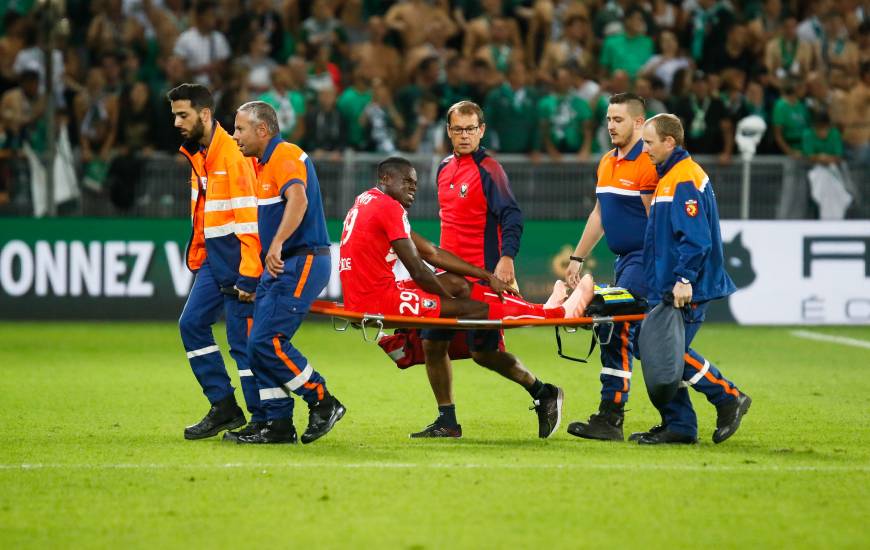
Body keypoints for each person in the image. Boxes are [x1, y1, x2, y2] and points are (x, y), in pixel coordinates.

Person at [417, 100, 565, 440]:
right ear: (449, 131)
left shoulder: (490, 170)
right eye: (458, 129)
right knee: (431, 344)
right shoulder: (443, 168)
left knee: (484, 353)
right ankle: (447, 420)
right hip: (447, 280)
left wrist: (507, 257)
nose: (465, 135)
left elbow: (511, 215)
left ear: (481, 131)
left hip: (480, 279)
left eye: (471, 129)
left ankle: (543, 392)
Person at [339, 156, 591, 322]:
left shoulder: (367, 200)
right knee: (474, 309)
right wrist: (446, 302)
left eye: (415, 184)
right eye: (406, 182)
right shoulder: (389, 208)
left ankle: (541, 309)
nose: (412, 189)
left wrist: (485, 275)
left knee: (457, 283)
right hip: (377, 301)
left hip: (366, 294)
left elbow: (431, 252)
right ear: (385, 179)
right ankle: (556, 314)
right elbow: (417, 269)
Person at [229, 101, 345, 444]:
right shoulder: (263, 165)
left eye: (240, 129)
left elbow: (299, 200)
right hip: (282, 263)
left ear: (262, 130)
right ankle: (278, 424)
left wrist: (277, 243)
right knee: (257, 346)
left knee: (267, 341)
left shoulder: (285, 155)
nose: (235, 136)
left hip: (302, 258)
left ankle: (322, 400)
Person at [636, 113, 752, 445]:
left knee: (667, 352)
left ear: (669, 142)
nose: (644, 149)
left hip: (685, 286)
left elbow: (697, 239)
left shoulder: (682, 179)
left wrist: (684, 279)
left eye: (648, 142)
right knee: (655, 350)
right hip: (670, 284)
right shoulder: (672, 176)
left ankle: (727, 396)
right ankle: (681, 425)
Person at [167, 83, 264, 440]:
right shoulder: (201, 154)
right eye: (175, 115)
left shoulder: (232, 156)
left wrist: (250, 273)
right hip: (215, 260)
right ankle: (224, 406)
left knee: (243, 344)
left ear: (204, 114)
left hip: (239, 261)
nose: (177, 122)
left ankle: (262, 418)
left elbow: (249, 222)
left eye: (183, 115)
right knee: (191, 324)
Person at [563, 93, 657, 442]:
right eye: (607, 120)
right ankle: (722, 397)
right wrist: (577, 257)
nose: (610, 126)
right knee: (639, 338)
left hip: (643, 261)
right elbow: (600, 215)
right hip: (625, 262)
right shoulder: (606, 162)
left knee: (612, 322)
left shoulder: (647, 163)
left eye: (617, 120)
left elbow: (655, 221)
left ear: (638, 123)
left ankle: (611, 415)